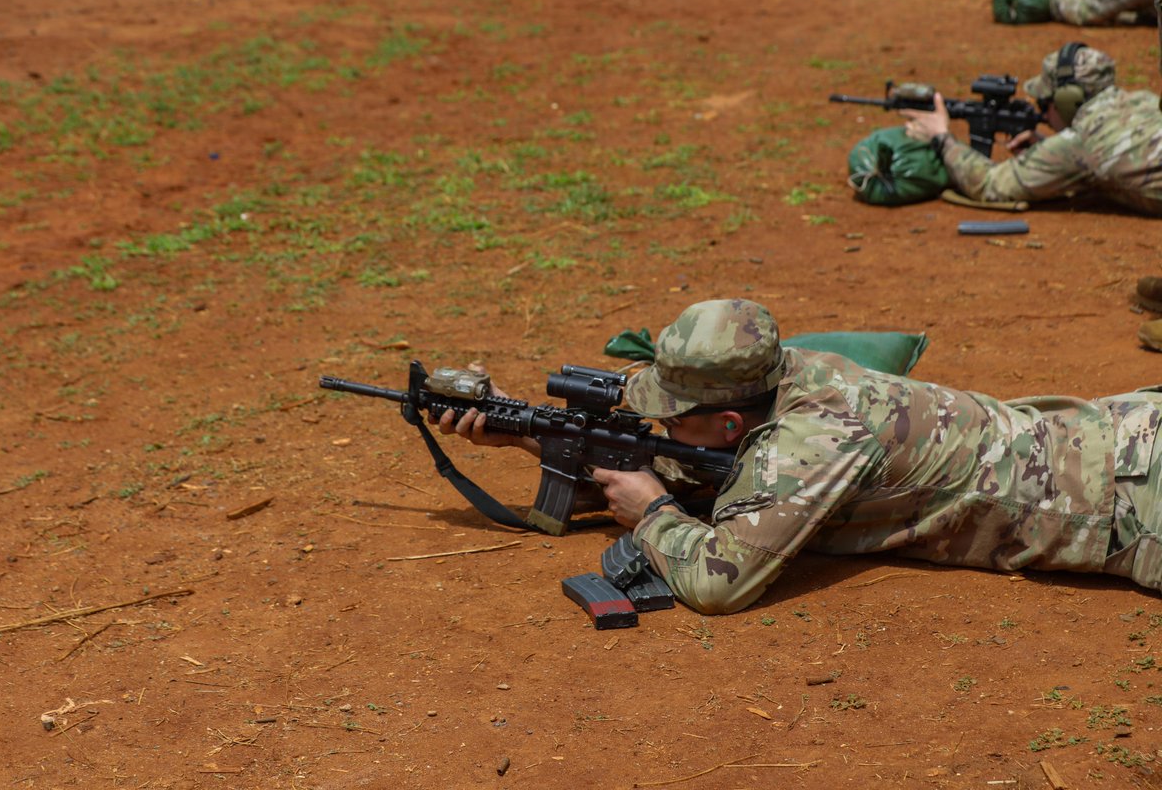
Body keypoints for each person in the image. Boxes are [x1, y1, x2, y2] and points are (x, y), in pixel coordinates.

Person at [438, 299, 1162, 615]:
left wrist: (651, 513)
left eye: (669, 414)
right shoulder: (783, 371)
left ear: (728, 420)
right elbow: (700, 462)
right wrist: (527, 431)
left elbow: (721, 582)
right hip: (1122, 428)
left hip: (1131, 504)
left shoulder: (813, 440)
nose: (654, 419)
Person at [900, 43, 1162, 216]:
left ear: (1067, 100)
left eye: (1045, 103)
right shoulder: (1143, 99)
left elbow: (991, 185)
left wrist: (941, 137)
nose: (1044, 114)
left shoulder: (1079, 143)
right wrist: (1051, 147)